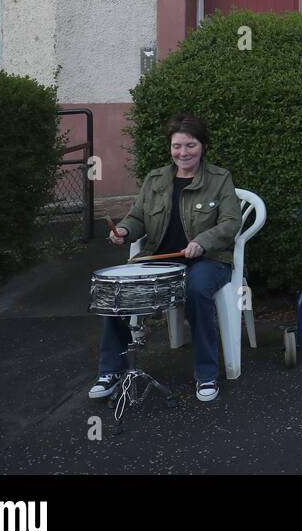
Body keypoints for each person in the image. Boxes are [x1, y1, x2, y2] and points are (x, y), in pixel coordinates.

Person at [90, 114, 242, 403]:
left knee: (198, 290)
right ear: (169, 148)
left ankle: (206, 374)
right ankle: (110, 370)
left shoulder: (220, 179)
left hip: (208, 260)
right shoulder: (156, 179)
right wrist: (123, 230)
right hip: (160, 260)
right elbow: (137, 217)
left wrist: (202, 242)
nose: (183, 153)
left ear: (203, 146)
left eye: (190, 145)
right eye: (176, 146)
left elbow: (231, 223)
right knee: (118, 292)